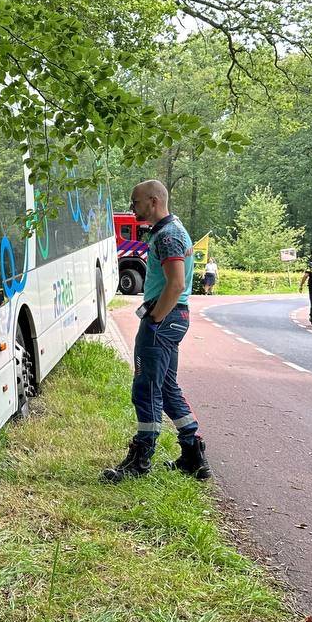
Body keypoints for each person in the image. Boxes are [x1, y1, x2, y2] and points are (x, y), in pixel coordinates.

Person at [103, 180, 211, 482]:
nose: (132, 207)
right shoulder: (171, 231)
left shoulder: (168, 235)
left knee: (146, 388)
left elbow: (176, 284)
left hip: (164, 319)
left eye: (135, 202)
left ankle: (140, 461)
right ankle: (193, 455)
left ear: (153, 201)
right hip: (173, 318)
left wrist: (154, 319)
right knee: (165, 386)